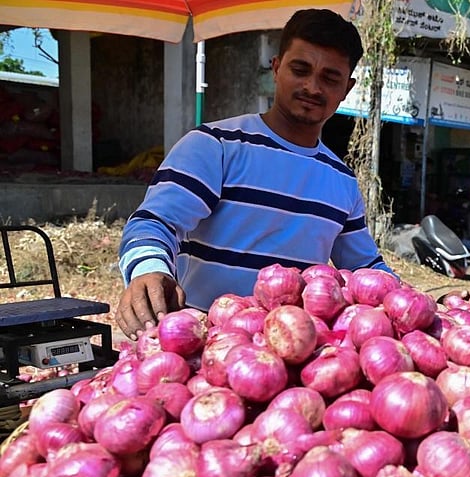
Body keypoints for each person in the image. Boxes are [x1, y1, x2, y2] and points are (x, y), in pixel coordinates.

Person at [115, 9, 393, 339]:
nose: (312, 86)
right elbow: (154, 222)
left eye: (329, 78)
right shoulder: (215, 146)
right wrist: (149, 269)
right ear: (276, 68)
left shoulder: (341, 181)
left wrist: (430, 305)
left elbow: (367, 269)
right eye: (300, 69)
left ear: (347, 89)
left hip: (290, 360)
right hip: (204, 349)